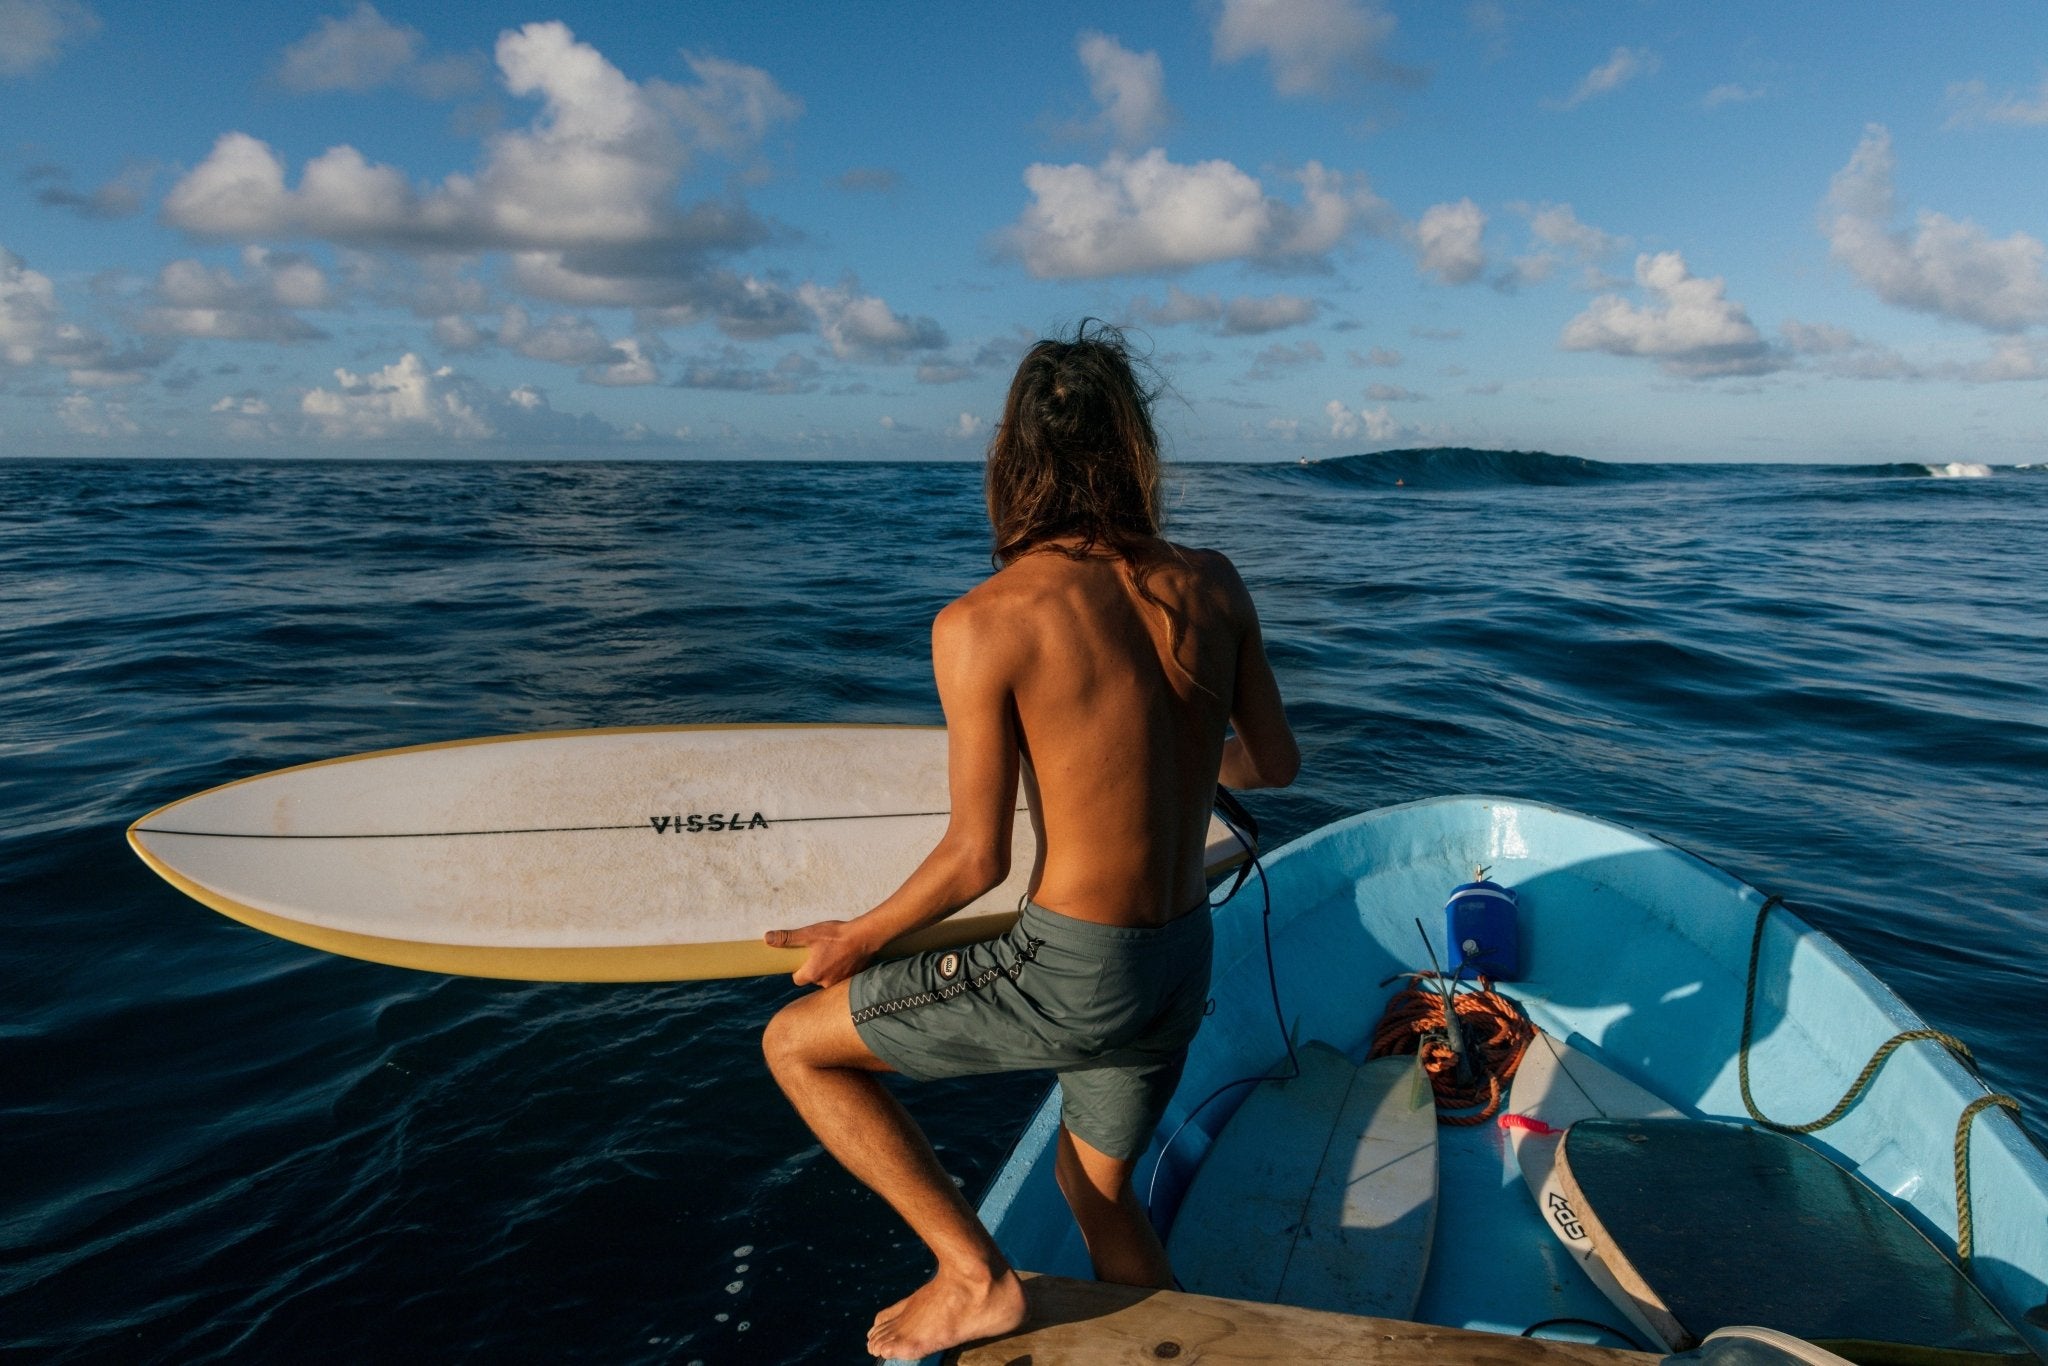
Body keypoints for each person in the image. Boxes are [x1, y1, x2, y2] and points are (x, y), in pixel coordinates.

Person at [761, 323, 1298, 1361]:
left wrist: (858, 939)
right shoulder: (1216, 581)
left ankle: (971, 1277)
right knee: (1094, 1196)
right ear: (1134, 447)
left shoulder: (983, 621)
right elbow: (1270, 763)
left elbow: (977, 858)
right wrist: (1175, 767)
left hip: (1073, 968)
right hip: (1180, 958)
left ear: (1013, 460)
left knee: (794, 1047)